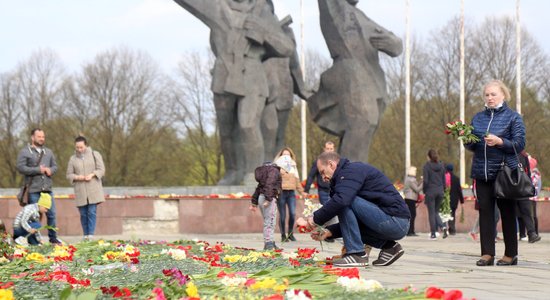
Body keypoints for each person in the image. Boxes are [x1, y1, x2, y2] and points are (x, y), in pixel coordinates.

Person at [173, 0, 295, 185]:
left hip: (253, 73)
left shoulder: (262, 11)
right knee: (226, 129)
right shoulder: (219, 7)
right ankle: (233, 170)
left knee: (248, 125)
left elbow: (286, 47)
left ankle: (253, 173)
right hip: (225, 72)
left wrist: (262, 31)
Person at [308, 0, 403, 163]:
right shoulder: (335, 8)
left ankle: (352, 174)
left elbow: (393, 43)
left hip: (371, 78)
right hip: (349, 73)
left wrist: (394, 43)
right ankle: (350, 176)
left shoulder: (360, 16)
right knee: (362, 122)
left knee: (367, 125)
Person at [297, 152, 410, 267]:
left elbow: (342, 201)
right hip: (393, 221)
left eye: (322, 172)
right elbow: (351, 225)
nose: (323, 178)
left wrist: (313, 220)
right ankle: (390, 247)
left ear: (331, 164)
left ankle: (357, 254)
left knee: (343, 200)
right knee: (343, 200)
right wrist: (328, 232)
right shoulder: (345, 176)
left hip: (396, 221)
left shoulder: (350, 171)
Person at [464, 79, 526, 266]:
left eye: (493, 94)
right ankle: (487, 253)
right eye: (487, 95)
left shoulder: (513, 117)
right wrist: (467, 139)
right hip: (482, 173)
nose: (490, 98)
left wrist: (501, 142)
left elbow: (519, 144)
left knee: (507, 213)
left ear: (503, 95)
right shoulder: (478, 118)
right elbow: (473, 145)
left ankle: (510, 254)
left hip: (504, 173)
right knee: (485, 213)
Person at [16, 128, 61, 244]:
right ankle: (34, 240)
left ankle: (53, 238)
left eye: (43, 137)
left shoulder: (49, 152)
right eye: (39, 137)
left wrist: (51, 170)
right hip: (33, 190)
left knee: (52, 214)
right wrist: (37, 170)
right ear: (33, 137)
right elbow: (21, 168)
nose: (41, 139)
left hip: (47, 189)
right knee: (33, 216)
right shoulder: (25, 152)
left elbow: (55, 166)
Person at [66, 136, 106, 241]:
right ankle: (85, 234)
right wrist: (78, 177)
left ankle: (91, 235)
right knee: (83, 213)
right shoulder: (72, 158)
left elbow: (101, 170)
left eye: (81, 147)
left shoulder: (95, 154)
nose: (79, 149)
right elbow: (69, 175)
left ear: (86, 145)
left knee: (91, 211)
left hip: (93, 189)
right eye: (77, 147)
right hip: (80, 190)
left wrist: (92, 175)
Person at [274, 147, 306, 242]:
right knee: (283, 215)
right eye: (284, 154)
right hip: (281, 193)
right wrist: (279, 172)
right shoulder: (276, 167)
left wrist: (302, 191)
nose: (286, 157)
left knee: (292, 213)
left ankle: (291, 233)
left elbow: (297, 181)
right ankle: (283, 235)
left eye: (288, 155)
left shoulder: (293, 166)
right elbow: (273, 180)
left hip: (291, 193)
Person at [249, 162, 282, 250]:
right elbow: (270, 184)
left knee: (268, 221)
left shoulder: (264, 173)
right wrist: (268, 198)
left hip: (261, 197)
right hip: (268, 198)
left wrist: (254, 202)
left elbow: (259, 188)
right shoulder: (274, 171)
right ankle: (268, 244)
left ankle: (270, 241)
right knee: (270, 222)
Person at [515, 150, 540, 243]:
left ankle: (531, 233)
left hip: (522, 188)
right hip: (509, 188)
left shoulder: (523, 155)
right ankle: (522, 234)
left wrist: (528, 185)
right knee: (514, 213)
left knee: (526, 211)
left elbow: (528, 173)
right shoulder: (504, 152)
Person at [423, 149, 446, 240]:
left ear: (429, 156)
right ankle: (443, 227)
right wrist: (442, 189)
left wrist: (425, 191)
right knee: (436, 212)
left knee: (431, 213)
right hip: (440, 191)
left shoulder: (427, 166)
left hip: (430, 191)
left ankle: (433, 234)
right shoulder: (442, 166)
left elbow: (425, 181)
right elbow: (444, 181)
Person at [304, 141, 335, 205]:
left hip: (335, 190)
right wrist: (306, 190)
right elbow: (311, 176)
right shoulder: (319, 161)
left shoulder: (338, 161)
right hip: (323, 191)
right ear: (324, 149)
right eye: (327, 148)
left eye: (331, 149)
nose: (329, 150)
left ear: (333, 149)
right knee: (327, 211)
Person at [403, 166, 422, 236]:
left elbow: (415, 186)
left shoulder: (408, 179)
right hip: (411, 198)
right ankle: (410, 231)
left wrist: (420, 181)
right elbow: (417, 189)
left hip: (409, 198)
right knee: (412, 215)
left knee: (412, 214)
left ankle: (411, 231)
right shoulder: (411, 180)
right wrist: (424, 183)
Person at [445, 164, 464, 235]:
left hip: (447, 198)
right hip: (454, 200)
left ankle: (449, 228)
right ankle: (452, 229)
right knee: (452, 213)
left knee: (447, 214)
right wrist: (462, 200)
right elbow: (459, 190)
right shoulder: (456, 178)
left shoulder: (445, 177)